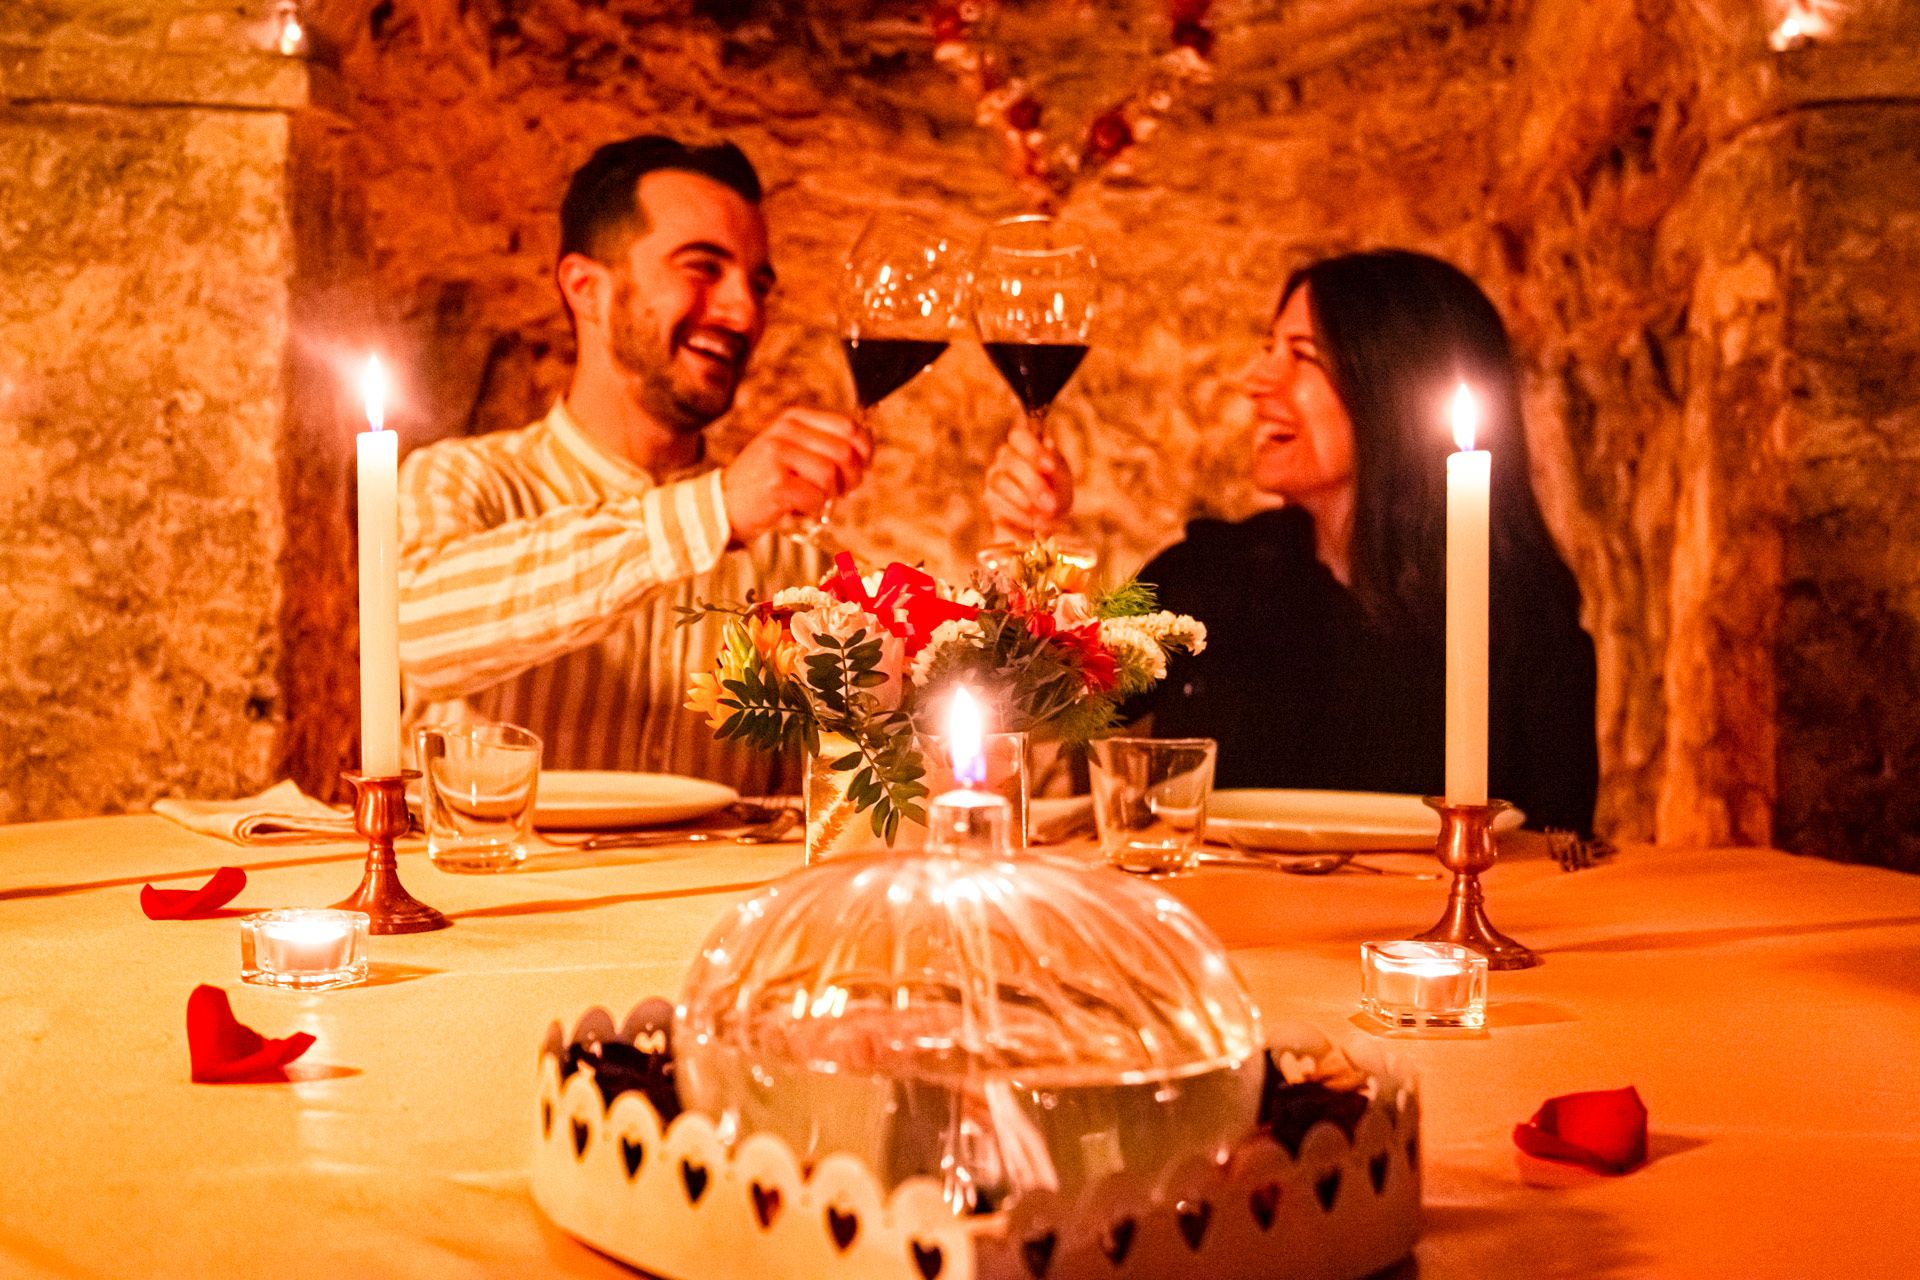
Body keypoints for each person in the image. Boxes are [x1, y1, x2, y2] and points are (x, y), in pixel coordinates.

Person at [397, 134, 1035, 790]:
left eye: (757, 285)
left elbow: (899, 787)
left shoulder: (791, 562)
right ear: (586, 288)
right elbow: (420, 637)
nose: (744, 312)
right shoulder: (459, 479)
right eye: (703, 268)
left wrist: (1016, 562)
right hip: (499, 889)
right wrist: (717, 510)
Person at [990, 249, 1598, 832]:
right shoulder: (1214, 577)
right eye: (1267, 349)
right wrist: (1030, 545)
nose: (1256, 381)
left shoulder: (1519, 622)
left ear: (1393, 387)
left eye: (1301, 356)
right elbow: (1038, 711)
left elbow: (1552, 856)